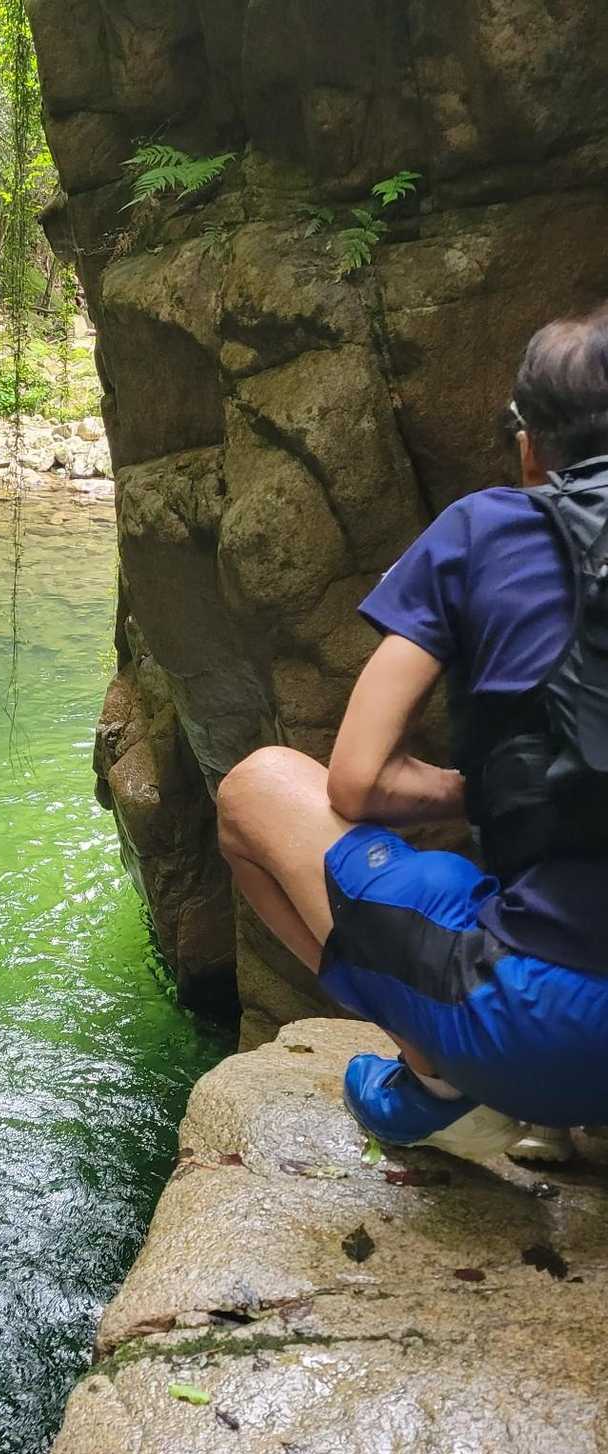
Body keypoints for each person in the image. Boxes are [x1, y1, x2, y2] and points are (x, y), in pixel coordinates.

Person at [216, 305, 608, 1162]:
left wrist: (485, 787)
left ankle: (440, 1082)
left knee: (254, 789)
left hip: (543, 1030)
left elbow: (357, 780)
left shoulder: (482, 529)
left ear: (531, 448)